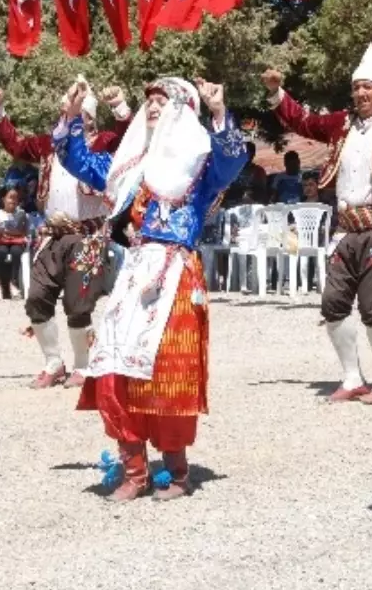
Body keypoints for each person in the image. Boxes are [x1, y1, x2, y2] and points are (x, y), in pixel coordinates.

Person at [54, 75, 245, 500]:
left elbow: (234, 159)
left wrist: (217, 111)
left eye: (166, 101)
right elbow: (79, 160)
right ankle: (134, 471)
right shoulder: (130, 165)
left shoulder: (200, 166)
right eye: (151, 101)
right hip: (135, 270)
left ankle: (177, 472)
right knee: (114, 365)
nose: (154, 106)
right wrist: (70, 116)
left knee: (166, 370)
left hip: (175, 272)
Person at [261, 44, 372, 404]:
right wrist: (275, 92)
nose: (360, 93)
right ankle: (351, 376)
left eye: (368, 87)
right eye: (357, 87)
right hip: (346, 227)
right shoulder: (340, 123)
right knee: (333, 302)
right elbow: (303, 121)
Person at [0, 81, 131, 389]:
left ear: (89, 117)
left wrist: (119, 105)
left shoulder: (104, 143)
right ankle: (53, 362)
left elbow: (129, 137)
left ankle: (84, 365)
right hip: (51, 235)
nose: (70, 112)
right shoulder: (47, 144)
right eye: (67, 108)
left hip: (87, 234)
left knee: (79, 303)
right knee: (37, 298)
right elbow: (15, 144)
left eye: (80, 111)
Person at [0, 187, 30, 300]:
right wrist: (0, 231)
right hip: (2, 241)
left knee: (16, 251)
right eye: (10, 197)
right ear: (3, 199)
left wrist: (6, 229)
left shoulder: (21, 214)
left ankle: (14, 282)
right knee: (1, 252)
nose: (13, 200)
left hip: (17, 241)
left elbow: (22, 230)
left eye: (16, 198)